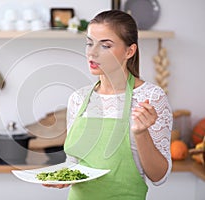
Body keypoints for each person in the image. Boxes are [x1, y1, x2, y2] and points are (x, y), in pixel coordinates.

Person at [43, 10, 173, 200]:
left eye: (105, 45)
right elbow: (74, 162)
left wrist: (141, 133)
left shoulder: (150, 97)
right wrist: (64, 177)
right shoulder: (78, 99)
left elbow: (159, 177)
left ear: (130, 51)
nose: (92, 53)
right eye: (89, 43)